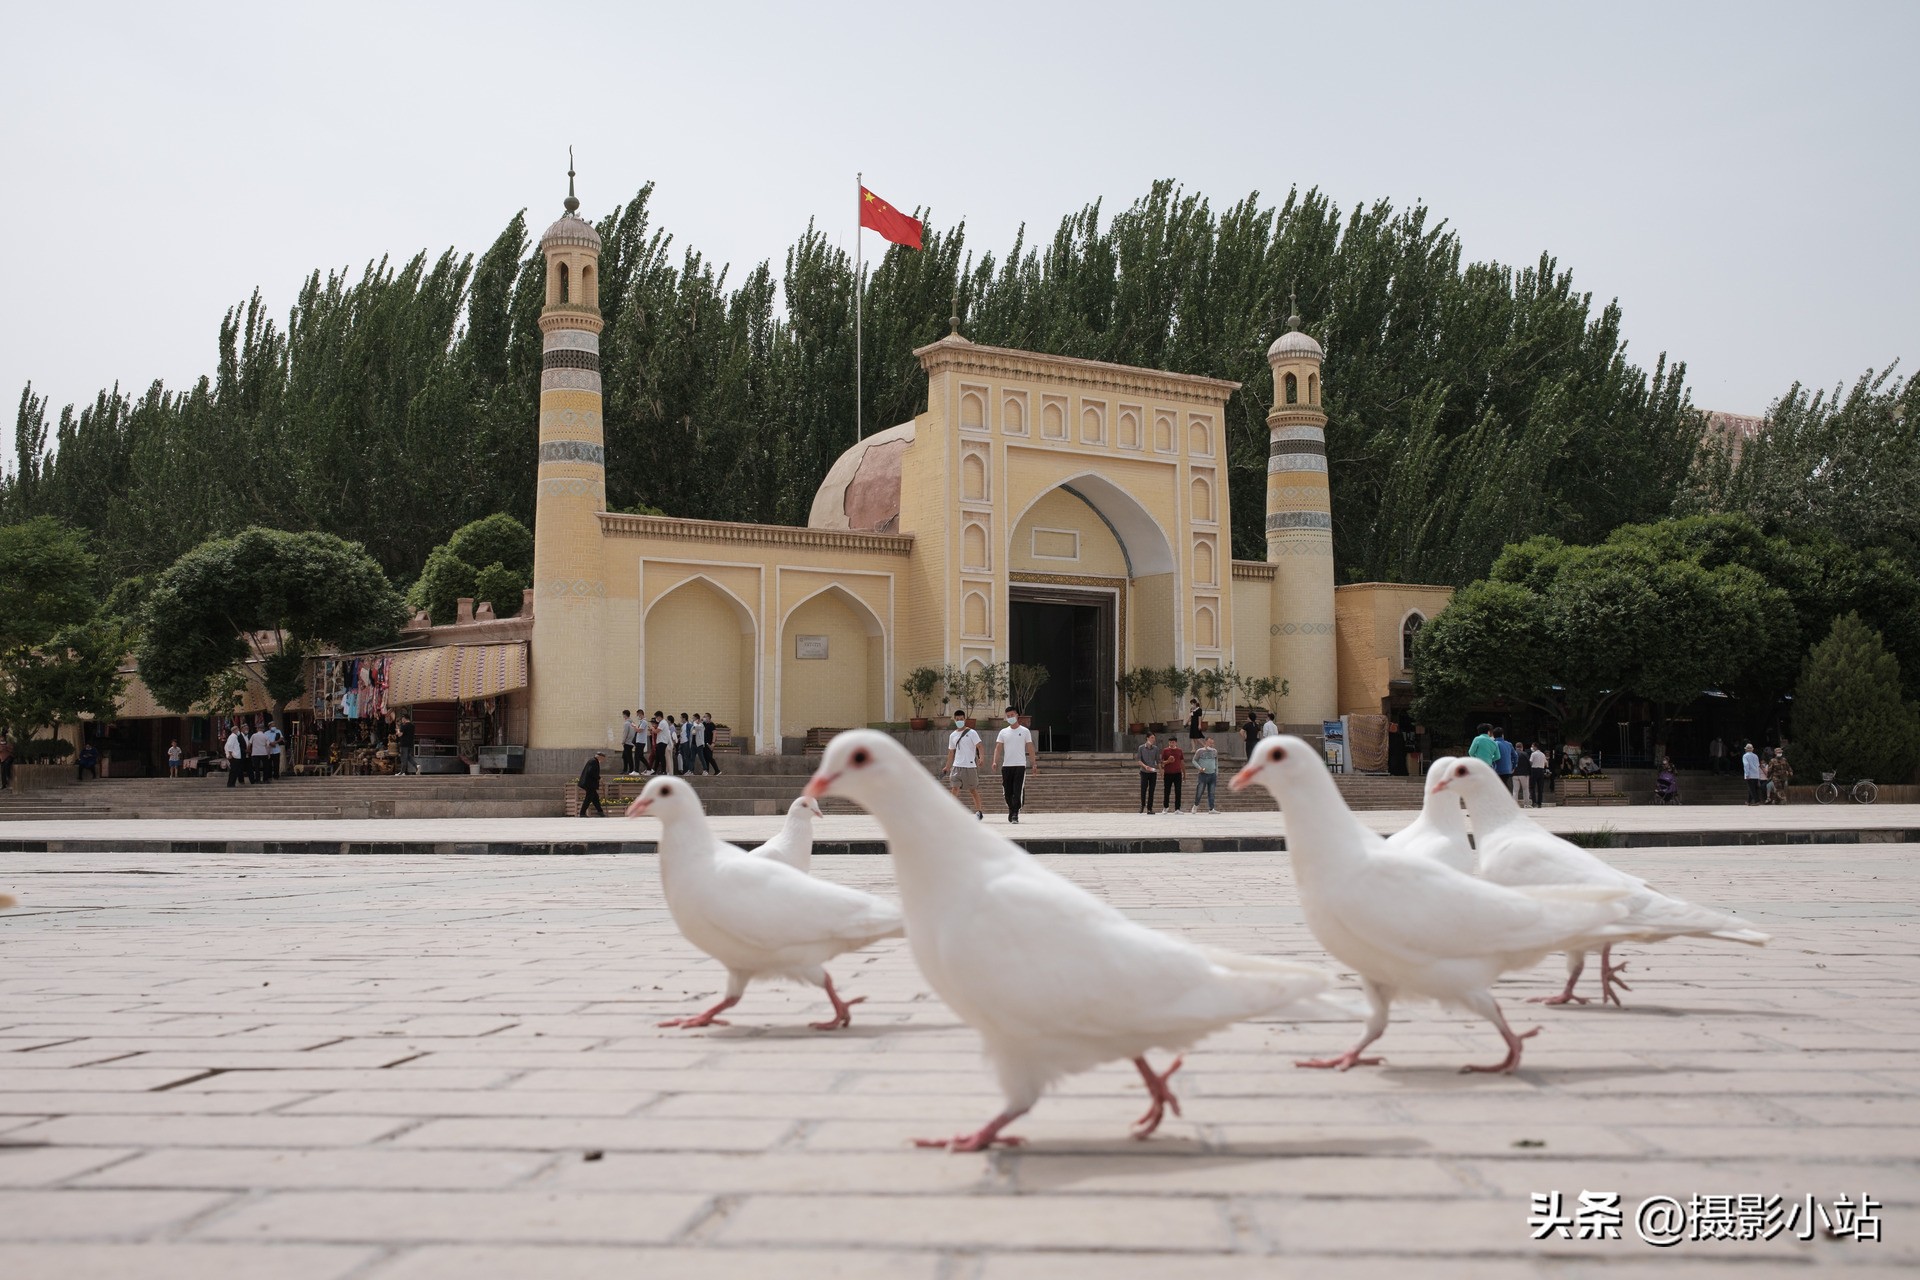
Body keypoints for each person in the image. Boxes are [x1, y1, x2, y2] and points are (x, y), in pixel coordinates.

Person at [991, 705, 1034, 823]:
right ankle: (1011, 808)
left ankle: (1015, 813)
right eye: (1008, 716)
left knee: (1017, 790)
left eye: (1012, 715)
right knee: (1007, 791)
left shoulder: (1025, 731)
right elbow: (998, 748)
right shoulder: (1003, 732)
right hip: (1006, 766)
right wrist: (995, 761)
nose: (1010, 717)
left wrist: (1033, 763)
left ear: (1017, 716)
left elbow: (1030, 747)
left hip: (1020, 765)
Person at [943, 711, 985, 819]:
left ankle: (979, 811)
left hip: (970, 766)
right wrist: (947, 766)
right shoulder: (952, 735)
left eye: (961, 719)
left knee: (973, 790)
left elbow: (979, 746)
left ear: (964, 719)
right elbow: (951, 752)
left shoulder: (972, 733)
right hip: (957, 766)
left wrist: (981, 758)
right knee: (954, 788)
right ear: (954, 720)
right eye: (957, 719)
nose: (959, 721)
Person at [1158, 737, 1185, 814]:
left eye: (1173, 742)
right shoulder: (1165, 750)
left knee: (1178, 791)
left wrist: (1184, 773)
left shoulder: (1179, 751)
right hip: (1168, 773)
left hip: (1177, 773)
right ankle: (1165, 807)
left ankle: (1177, 808)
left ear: (1176, 743)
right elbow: (1162, 762)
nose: (1171, 744)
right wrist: (1168, 761)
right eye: (1170, 742)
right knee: (1167, 791)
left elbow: (1182, 762)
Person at [1193, 736, 1220, 813]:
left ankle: (1211, 808)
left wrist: (1216, 772)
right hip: (1203, 774)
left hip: (1212, 774)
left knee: (1211, 792)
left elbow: (1216, 762)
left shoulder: (1214, 751)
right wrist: (1199, 768)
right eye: (1209, 742)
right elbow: (1194, 760)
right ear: (1206, 742)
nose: (1211, 744)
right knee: (1200, 791)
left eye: (1212, 743)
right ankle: (1196, 805)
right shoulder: (1200, 751)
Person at [1135, 732, 1160, 814]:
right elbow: (1139, 760)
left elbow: (1158, 760)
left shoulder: (1156, 748)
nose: (1153, 739)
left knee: (1151, 790)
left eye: (1154, 738)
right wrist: (1145, 766)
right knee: (1143, 789)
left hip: (1153, 772)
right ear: (1147, 738)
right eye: (1152, 737)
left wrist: (1160, 769)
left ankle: (1150, 808)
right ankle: (1142, 805)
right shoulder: (1141, 748)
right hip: (1144, 771)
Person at [578, 751, 607, 816]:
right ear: (600, 756)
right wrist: (599, 778)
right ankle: (582, 813)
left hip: (590, 784)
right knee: (588, 798)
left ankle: (600, 811)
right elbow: (591, 772)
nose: (603, 760)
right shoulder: (593, 761)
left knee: (595, 798)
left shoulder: (594, 761)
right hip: (589, 784)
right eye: (603, 758)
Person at [1492, 727, 1515, 796]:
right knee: (1504, 784)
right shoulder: (1509, 744)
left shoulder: (1494, 744)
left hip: (1497, 769)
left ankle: (1506, 800)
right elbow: (1515, 756)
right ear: (1502, 735)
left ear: (1493, 735)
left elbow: (1492, 756)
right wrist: (1513, 766)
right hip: (1508, 769)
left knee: (1500, 785)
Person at [224, 723, 247, 787]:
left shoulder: (234, 737)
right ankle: (230, 784)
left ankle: (232, 783)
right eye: (237, 730)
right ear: (235, 730)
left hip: (236, 756)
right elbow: (229, 746)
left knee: (235, 771)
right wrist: (230, 754)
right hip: (234, 757)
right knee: (233, 771)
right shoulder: (233, 737)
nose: (238, 731)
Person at [1528, 742, 1549, 809]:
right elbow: (1546, 763)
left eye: (1532, 746)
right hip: (1541, 771)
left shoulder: (1533, 754)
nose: (1531, 747)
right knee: (1540, 788)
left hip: (1534, 770)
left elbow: (1530, 762)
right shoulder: (1543, 754)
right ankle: (1539, 803)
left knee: (1532, 787)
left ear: (1535, 747)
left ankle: (1534, 802)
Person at [620, 710, 637, 775]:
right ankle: (625, 769)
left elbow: (625, 733)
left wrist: (623, 741)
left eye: (623, 715)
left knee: (628, 757)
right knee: (625, 756)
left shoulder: (626, 723)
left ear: (624, 715)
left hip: (627, 742)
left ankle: (630, 770)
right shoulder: (632, 723)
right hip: (631, 742)